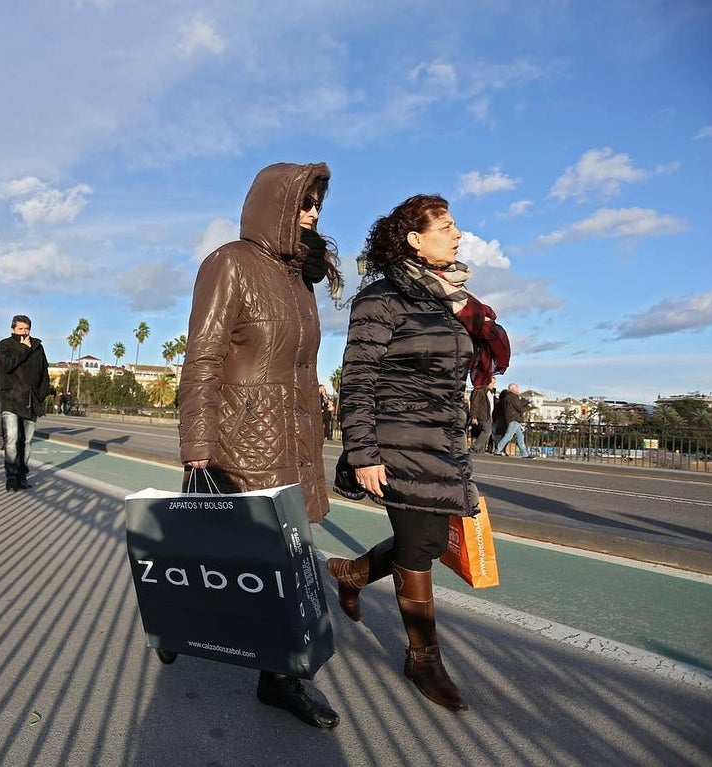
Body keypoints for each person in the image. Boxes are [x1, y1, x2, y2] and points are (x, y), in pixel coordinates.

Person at [179, 162, 344, 730]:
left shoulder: (300, 279)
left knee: (283, 559)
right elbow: (202, 358)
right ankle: (191, 626)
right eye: (305, 201)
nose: (314, 212)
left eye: (319, 203)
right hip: (243, 437)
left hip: (295, 436)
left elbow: (302, 363)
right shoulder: (229, 262)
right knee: (257, 560)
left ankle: (277, 678)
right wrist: (196, 444)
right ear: (276, 203)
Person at [330, 194, 509, 713]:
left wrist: (470, 314)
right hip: (395, 440)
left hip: (444, 443)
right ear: (414, 239)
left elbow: (493, 349)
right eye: (446, 227)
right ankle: (423, 657)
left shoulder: (453, 300)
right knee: (416, 547)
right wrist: (363, 453)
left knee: (427, 542)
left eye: (456, 227)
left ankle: (352, 574)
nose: (458, 235)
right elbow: (358, 380)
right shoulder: (380, 299)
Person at [0, 315, 50, 492]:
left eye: (27, 329)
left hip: (31, 400)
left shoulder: (37, 347)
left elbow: (44, 372)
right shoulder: (5, 345)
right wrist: (22, 348)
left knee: (26, 442)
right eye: (20, 329)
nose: (24, 332)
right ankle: (11, 478)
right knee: (12, 439)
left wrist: (41, 394)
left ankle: (22, 475)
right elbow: (6, 366)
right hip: (11, 400)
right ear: (13, 329)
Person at [493, 382, 533, 458]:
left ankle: (525, 454)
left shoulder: (506, 397)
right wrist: (529, 407)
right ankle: (498, 450)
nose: (518, 390)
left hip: (512, 418)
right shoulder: (513, 396)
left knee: (520, 436)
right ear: (513, 389)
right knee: (508, 436)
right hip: (514, 419)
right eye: (517, 388)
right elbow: (519, 408)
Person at [468, 377, 496, 453]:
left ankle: (479, 451)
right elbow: (475, 404)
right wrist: (474, 417)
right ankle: (474, 447)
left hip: (488, 417)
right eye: (493, 383)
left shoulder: (490, 393)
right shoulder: (479, 391)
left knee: (484, 432)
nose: (494, 385)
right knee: (487, 431)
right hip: (481, 416)